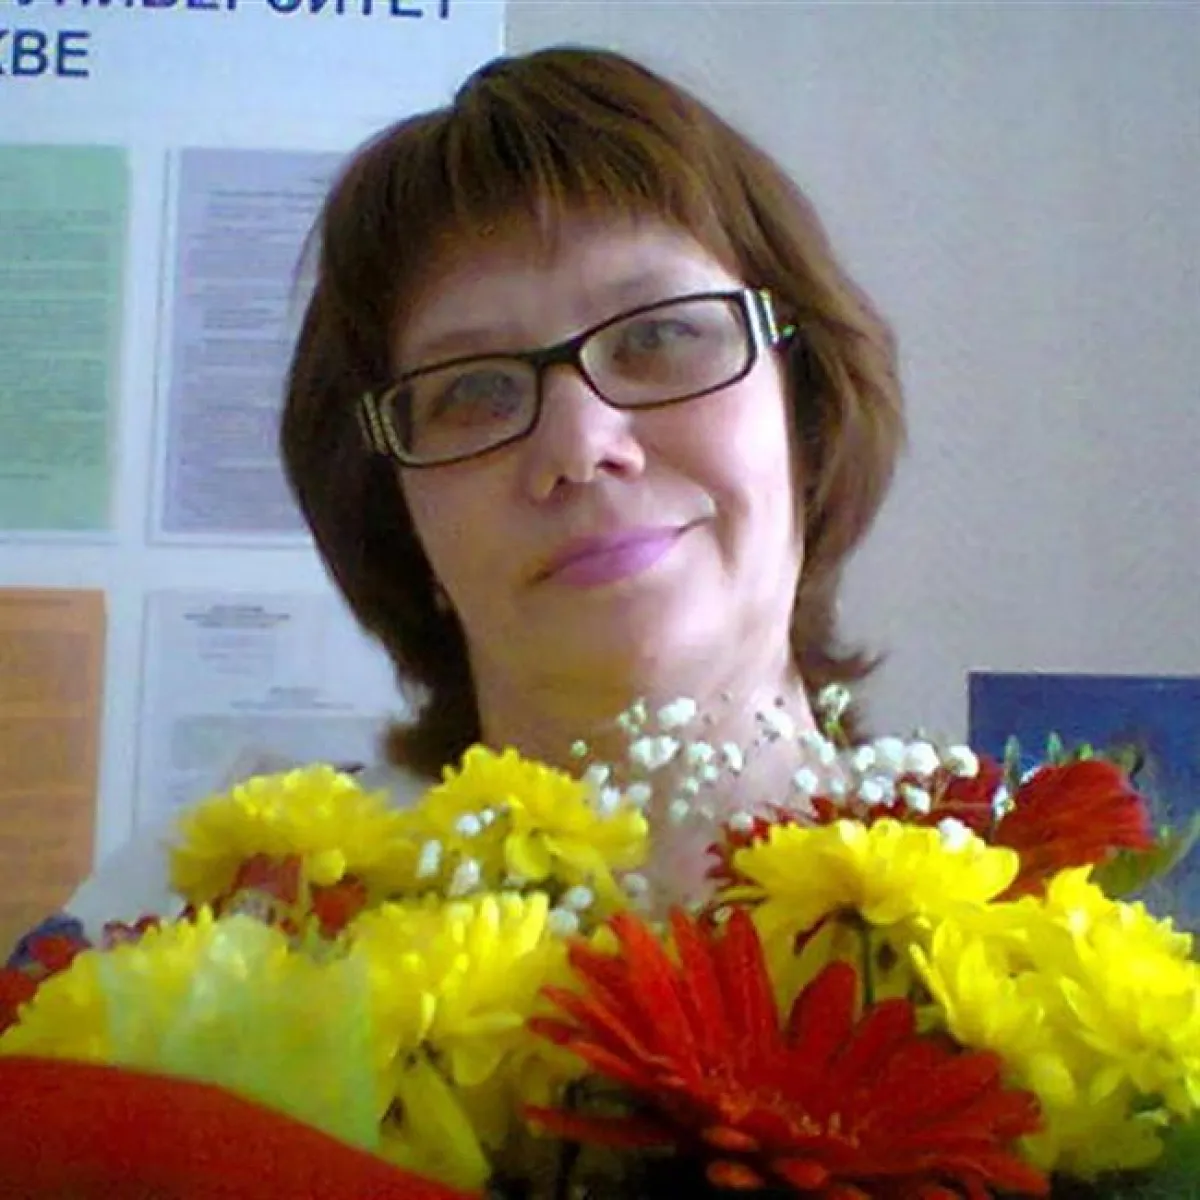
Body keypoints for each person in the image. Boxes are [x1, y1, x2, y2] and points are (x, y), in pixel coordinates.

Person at [51, 43, 905, 942]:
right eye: (473, 392)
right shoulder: (186, 923)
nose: (580, 446)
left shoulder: (1010, 908)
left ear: (809, 410)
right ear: (395, 514)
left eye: (657, 338)